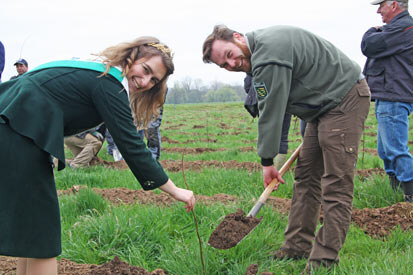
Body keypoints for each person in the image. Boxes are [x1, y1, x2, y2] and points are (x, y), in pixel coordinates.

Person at [0, 37, 195, 275]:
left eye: (154, 79)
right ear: (132, 58)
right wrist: (175, 190)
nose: (145, 81)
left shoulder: (98, 73)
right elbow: (131, 145)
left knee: (31, 228)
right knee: (43, 235)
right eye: (145, 70)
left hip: (16, 127)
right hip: (16, 131)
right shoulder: (108, 84)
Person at [202, 25, 370, 273]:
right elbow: (271, 102)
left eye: (229, 54)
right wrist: (273, 154)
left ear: (237, 38)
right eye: (224, 65)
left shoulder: (269, 54)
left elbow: (272, 110)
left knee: (336, 184)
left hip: (344, 99)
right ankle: (296, 247)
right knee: (306, 178)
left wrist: (267, 161)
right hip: (320, 109)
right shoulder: (258, 62)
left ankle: (323, 261)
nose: (232, 63)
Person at [361, 0, 413, 203]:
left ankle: (410, 195)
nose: (378, 10)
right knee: (385, 149)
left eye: (381, 5)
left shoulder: (404, 27)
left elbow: (369, 46)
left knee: (394, 148)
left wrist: (370, 31)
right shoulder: (396, 28)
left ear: (394, 5)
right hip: (389, 94)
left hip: (394, 94)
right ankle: (397, 192)